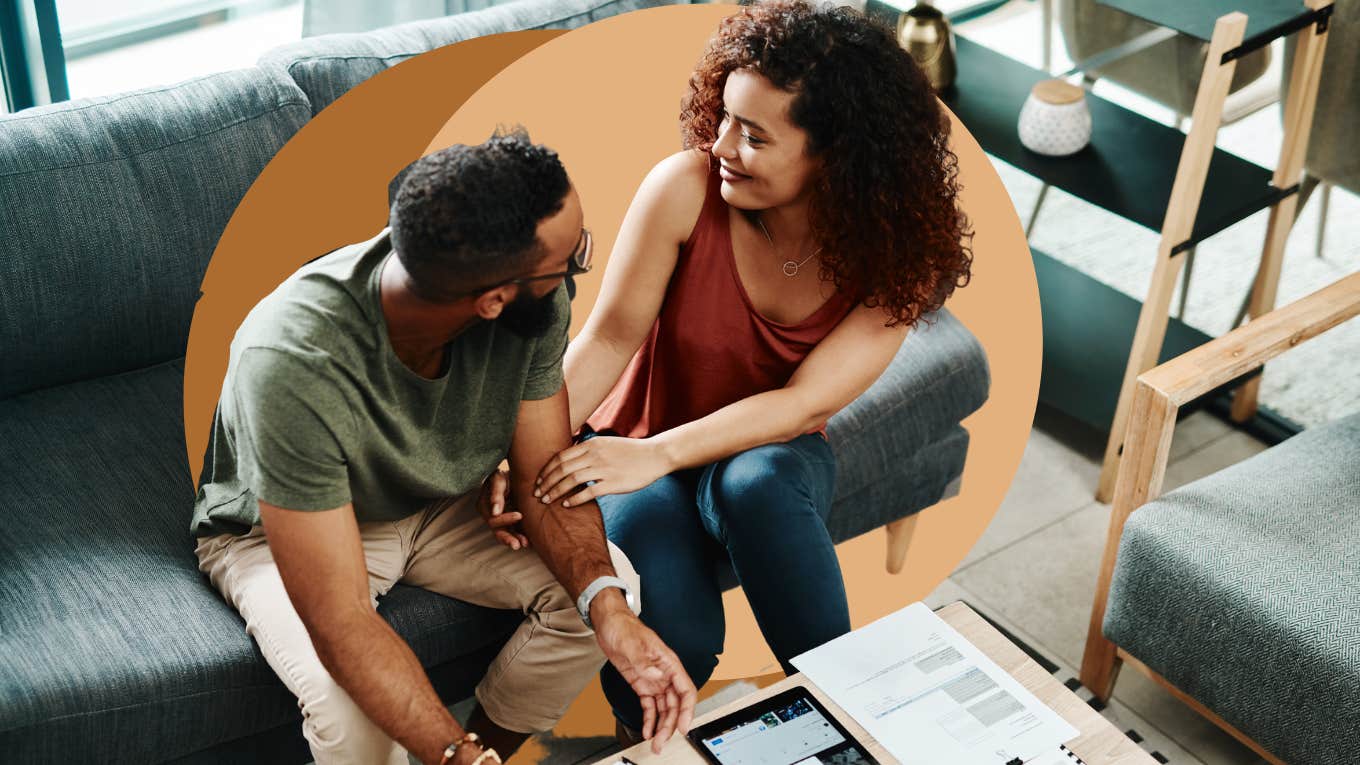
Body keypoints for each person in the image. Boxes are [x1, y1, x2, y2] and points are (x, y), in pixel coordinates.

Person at [526, 0, 973, 740]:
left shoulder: (898, 259)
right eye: (726, 116)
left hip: (765, 452)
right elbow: (605, 340)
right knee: (683, 638)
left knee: (754, 481)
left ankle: (852, 723)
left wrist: (656, 454)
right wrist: (534, 450)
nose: (722, 143)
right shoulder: (684, 188)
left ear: (837, 156)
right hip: (640, 446)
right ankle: (646, 751)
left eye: (755, 135)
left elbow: (802, 406)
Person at [191, 128, 696, 765]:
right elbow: (342, 621)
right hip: (283, 529)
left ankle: (491, 751)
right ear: (491, 301)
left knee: (608, 589)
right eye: (569, 261)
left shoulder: (531, 304)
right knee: (351, 718)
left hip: (439, 502)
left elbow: (544, 469)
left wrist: (611, 616)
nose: (574, 272)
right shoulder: (292, 362)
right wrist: (450, 750)